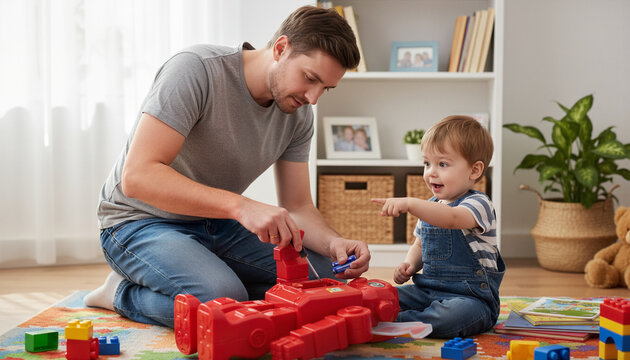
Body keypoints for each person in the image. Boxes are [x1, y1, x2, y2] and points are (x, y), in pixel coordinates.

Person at [84, 5, 371, 328]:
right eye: (309, 78)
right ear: (280, 48)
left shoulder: (299, 114)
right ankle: (120, 293)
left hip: (215, 223)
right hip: (138, 221)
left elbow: (298, 206)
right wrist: (241, 206)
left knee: (324, 285)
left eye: (325, 88)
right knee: (225, 301)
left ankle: (220, 285)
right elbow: (138, 177)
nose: (314, 98)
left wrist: (334, 244)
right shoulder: (195, 70)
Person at [372, 115, 505, 338]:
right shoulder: (431, 206)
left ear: (474, 170)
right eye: (427, 163)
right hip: (427, 291)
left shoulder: (479, 204)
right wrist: (409, 264)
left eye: (442, 164)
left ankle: (391, 321)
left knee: (451, 317)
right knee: (387, 295)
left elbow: (452, 218)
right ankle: (375, 311)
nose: (431, 172)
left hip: (471, 298)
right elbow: (419, 243)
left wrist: (411, 203)